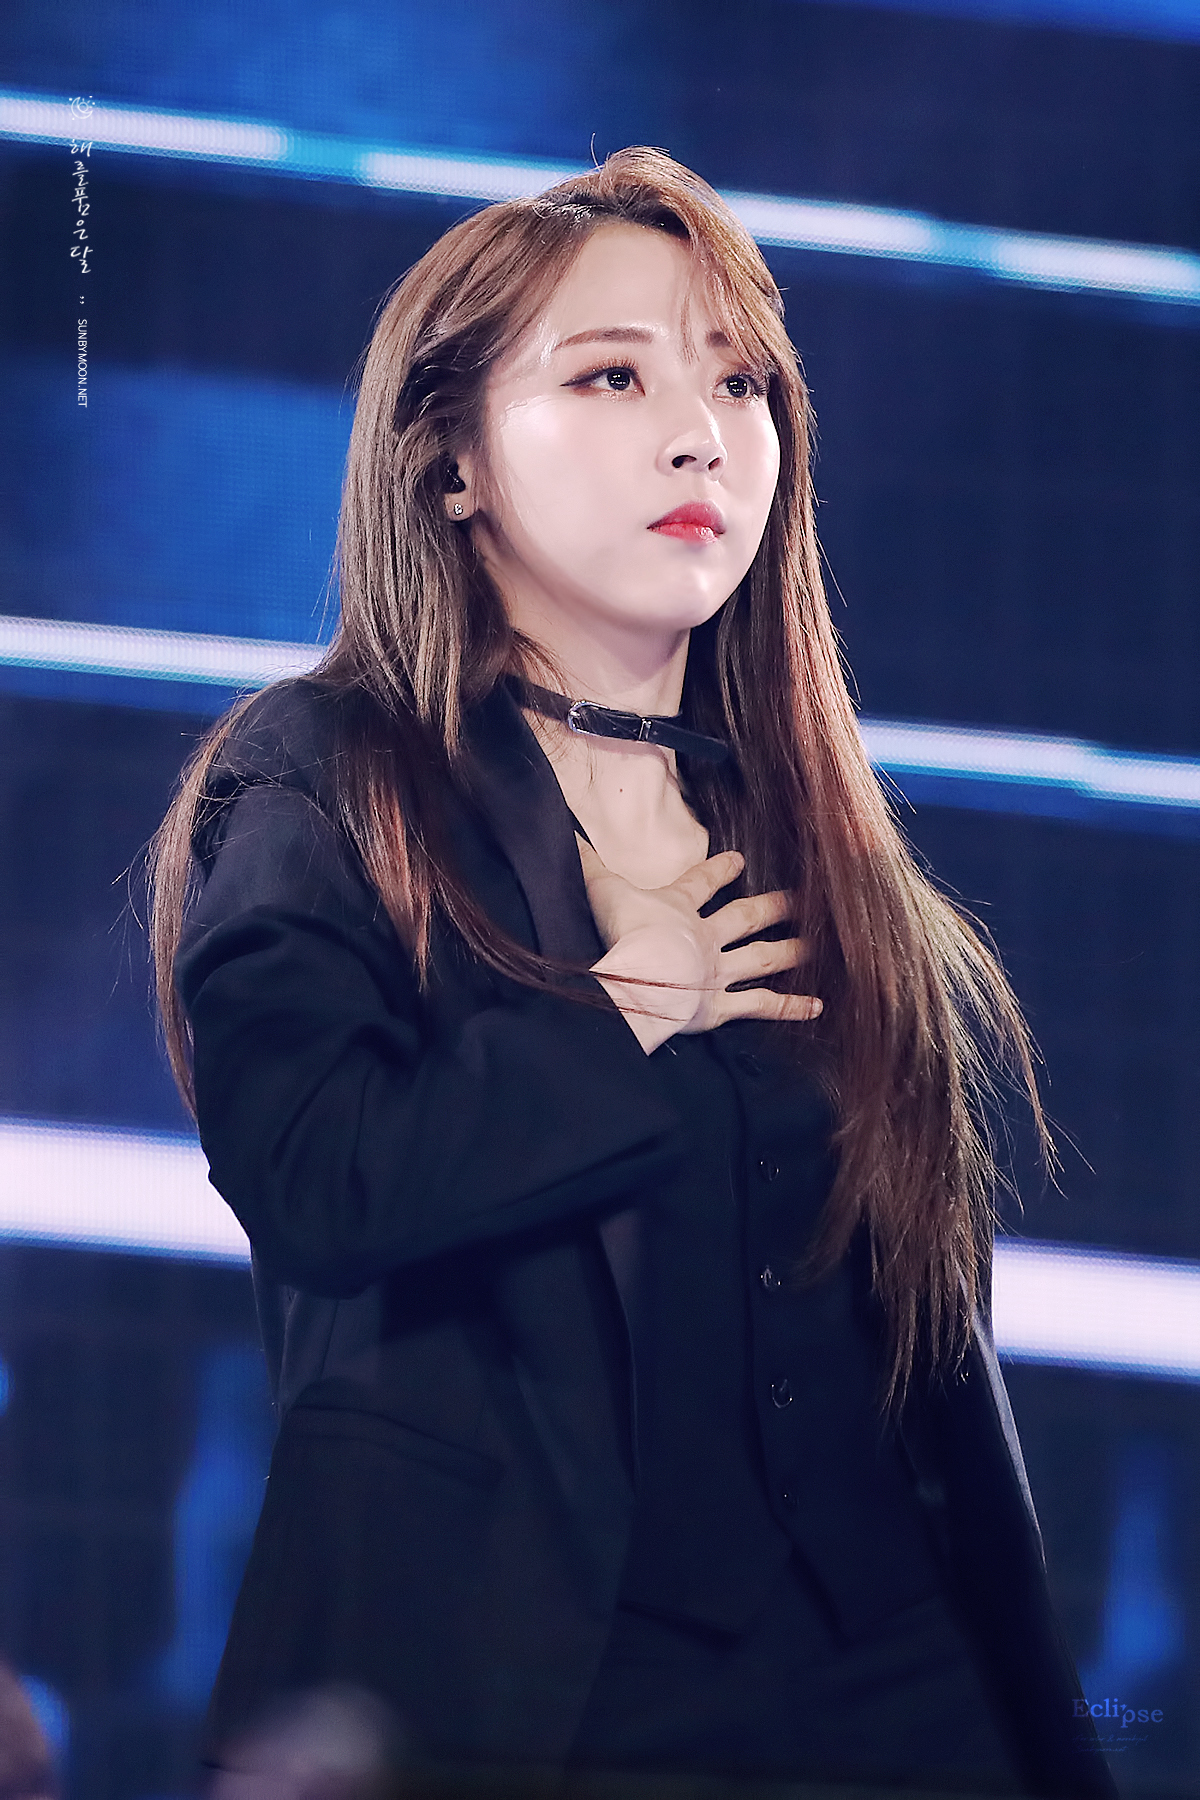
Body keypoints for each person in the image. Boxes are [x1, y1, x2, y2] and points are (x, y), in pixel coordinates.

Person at [151, 148, 1115, 1797]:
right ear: (452, 457)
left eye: (739, 384)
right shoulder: (332, 775)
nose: (701, 435)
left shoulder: (811, 828)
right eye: (613, 376)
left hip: (897, 1695)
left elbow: (926, 1361)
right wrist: (625, 1013)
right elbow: (315, 1179)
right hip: (528, 1695)